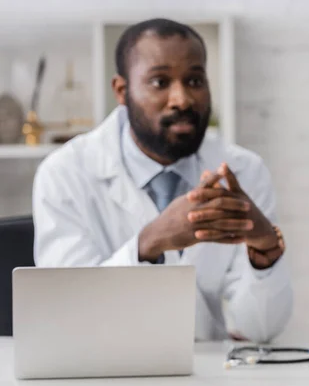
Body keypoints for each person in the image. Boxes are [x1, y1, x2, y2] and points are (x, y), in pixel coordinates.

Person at [32, 18, 292, 343]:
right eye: (160, 82)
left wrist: (266, 250)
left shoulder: (243, 171)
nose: (182, 99)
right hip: (101, 379)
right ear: (122, 91)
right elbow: (65, 314)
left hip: (209, 381)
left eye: (195, 80)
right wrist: (150, 242)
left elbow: (259, 330)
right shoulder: (64, 173)